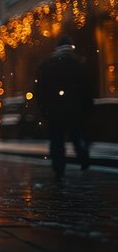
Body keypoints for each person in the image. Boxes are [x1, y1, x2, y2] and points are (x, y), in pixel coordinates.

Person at [35, 36, 93, 181]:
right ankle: (83, 155)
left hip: (54, 111)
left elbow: (40, 90)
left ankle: (59, 167)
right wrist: (87, 109)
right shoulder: (78, 64)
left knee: (57, 141)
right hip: (75, 110)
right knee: (76, 136)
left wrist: (43, 110)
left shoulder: (47, 65)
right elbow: (87, 90)